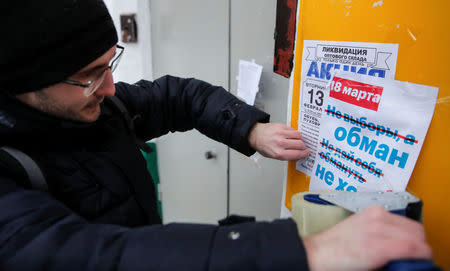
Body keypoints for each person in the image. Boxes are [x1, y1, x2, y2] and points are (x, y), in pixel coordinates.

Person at [0, 0, 432, 270]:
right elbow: (90, 256)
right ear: (24, 82)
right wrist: (302, 253)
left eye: (110, 64)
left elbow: (179, 97)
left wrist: (251, 130)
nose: (111, 88)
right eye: (88, 77)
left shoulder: (101, 108)